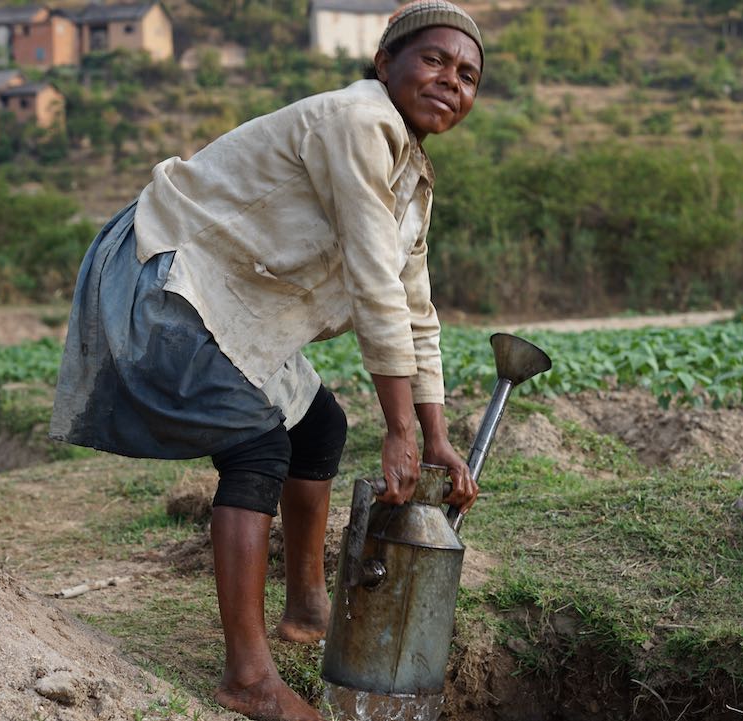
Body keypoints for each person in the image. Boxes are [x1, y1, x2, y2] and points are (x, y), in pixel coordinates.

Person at [48, 3, 485, 719]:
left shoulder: (412, 178)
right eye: (434, 60)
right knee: (257, 446)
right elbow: (375, 285)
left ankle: (308, 609)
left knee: (318, 429)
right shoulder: (359, 121)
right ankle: (248, 676)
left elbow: (414, 307)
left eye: (467, 76)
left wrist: (434, 435)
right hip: (168, 278)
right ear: (385, 63)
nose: (451, 81)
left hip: (234, 302)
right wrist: (399, 427)